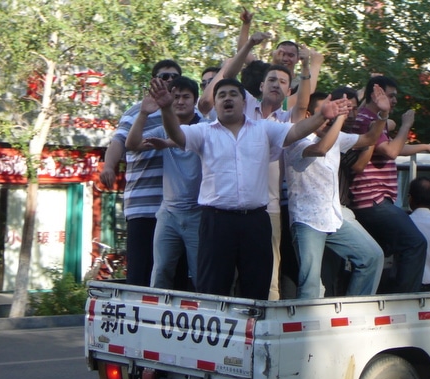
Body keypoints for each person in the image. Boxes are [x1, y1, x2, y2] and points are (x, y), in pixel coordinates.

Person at [146, 77, 349, 299]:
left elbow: (295, 132)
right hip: (216, 223)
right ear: (215, 104)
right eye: (221, 95)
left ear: (244, 103)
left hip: (255, 222)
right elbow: (177, 135)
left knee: (257, 288)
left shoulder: (263, 129)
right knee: (213, 290)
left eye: (233, 94)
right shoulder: (203, 131)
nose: (227, 98)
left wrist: (322, 115)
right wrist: (166, 108)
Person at [286, 87, 389, 298]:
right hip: (307, 221)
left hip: (334, 217)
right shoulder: (295, 139)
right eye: (326, 113)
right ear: (309, 115)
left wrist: (382, 115)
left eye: (334, 113)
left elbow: (370, 139)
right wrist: (340, 118)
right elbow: (321, 149)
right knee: (311, 286)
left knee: (372, 256)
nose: (330, 118)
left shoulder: (336, 136)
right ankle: (306, 329)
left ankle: (353, 313)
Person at [349, 75, 430, 294]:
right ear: (375, 95)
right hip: (372, 200)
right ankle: (404, 300)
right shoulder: (367, 120)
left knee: (382, 252)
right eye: (391, 96)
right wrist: (406, 125)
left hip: (378, 200)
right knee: (415, 243)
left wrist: (425, 146)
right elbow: (391, 151)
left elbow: (393, 147)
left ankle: (379, 295)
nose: (395, 101)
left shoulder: (375, 119)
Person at [99, 59, 183, 287]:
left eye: (174, 77)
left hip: (179, 207)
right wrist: (109, 166)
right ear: (153, 81)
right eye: (164, 76)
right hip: (143, 205)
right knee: (141, 272)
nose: (169, 80)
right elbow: (119, 141)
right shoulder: (136, 112)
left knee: (174, 273)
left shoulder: (186, 111)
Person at [125, 76, 203, 290]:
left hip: (198, 213)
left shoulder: (206, 127)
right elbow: (131, 144)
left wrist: (168, 143)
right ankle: (158, 318)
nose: (180, 101)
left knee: (199, 274)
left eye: (185, 97)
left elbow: (185, 138)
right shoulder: (162, 128)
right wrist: (143, 112)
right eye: (175, 96)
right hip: (168, 213)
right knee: (160, 272)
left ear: (195, 100)